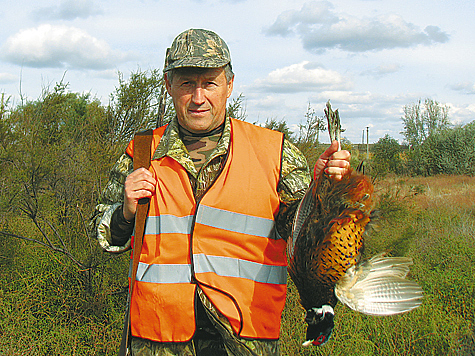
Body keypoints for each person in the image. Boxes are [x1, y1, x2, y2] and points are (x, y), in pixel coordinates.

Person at [91, 28, 350, 356]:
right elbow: (102, 232)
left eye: (209, 83)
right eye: (187, 83)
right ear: (168, 85)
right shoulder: (142, 152)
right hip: (158, 340)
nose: (198, 97)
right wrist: (126, 210)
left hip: (244, 340)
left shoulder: (274, 151)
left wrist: (321, 190)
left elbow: (305, 238)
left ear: (229, 85)